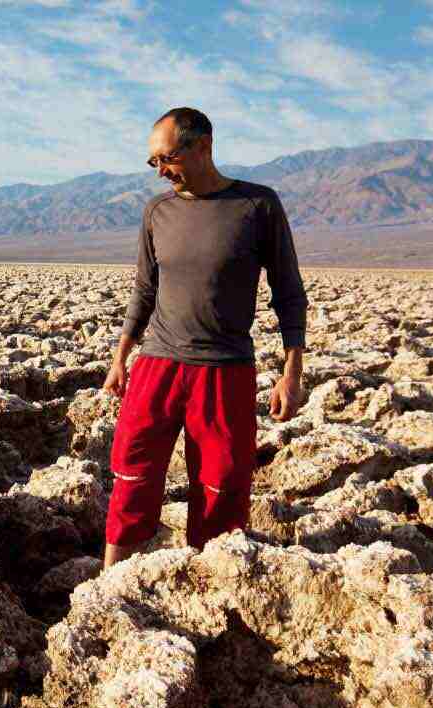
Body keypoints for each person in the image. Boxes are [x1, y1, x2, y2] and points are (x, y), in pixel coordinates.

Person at [101, 107, 307, 567]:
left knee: (222, 491)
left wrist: (291, 373)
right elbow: (144, 289)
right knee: (131, 477)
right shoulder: (158, 212)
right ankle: (108, 592)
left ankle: (211, 591)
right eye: (152, 162)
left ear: (204, 146)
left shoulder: (258, 206)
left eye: (166, 158)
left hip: (224, 370)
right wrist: (121, 357)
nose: (160, 172)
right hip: (157, 365)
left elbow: (289, 293)